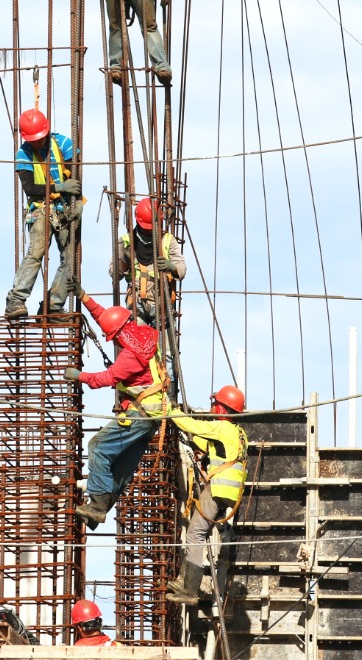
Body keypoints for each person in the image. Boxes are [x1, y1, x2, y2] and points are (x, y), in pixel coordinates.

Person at [67, 292, 169, 526]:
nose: (112, 341)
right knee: (122, 466)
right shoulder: (143, 335)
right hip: (152, 415)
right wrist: (83, 297)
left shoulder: (130, 356)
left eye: (112, 338)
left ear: (118, 334)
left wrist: (78, 376)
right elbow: (107, 316)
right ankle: (100, 508)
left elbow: (106, 378)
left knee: (98, 447)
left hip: (140, 413)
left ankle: (98, 504)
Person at [167, 386, 248, 607]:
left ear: (221, 407)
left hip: (219, 489)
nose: (212, 406)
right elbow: (209, 444)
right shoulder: (238, 432)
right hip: (230, 492)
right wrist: (197, 446)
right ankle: (183, 581)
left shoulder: (221, 426)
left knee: (195, 534)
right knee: (199, 531)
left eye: (215, 403)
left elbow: (191, 425)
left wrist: (168, 409)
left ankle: (190, 591)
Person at [6, 109, 80, 318]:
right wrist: (60, 187)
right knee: (36, 253)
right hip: (40, 209)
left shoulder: (64, 144)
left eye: (39, 139)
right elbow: (30, 189)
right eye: (33, 140)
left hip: (64, 209)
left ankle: (53, 306)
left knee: (71, 259)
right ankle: (16, 300)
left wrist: (78, 200)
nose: (37, 143)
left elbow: (75, 177)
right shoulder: (23, 154)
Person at [110, 196, 186, 326]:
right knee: (140, 344)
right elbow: (114, 274)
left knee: (166, 346)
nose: (149, 230)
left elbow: (182, 270)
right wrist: (124, 262)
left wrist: (170, 267)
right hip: (137, 304)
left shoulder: (167, 240)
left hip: (162, 303)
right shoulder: (126, 242)